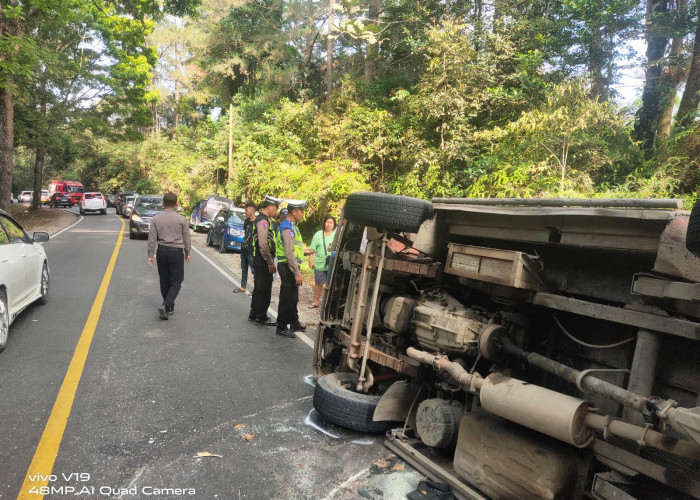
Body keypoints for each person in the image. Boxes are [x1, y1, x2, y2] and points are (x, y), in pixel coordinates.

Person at [148, 192, 191, 320]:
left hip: (162, 251)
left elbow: (152, 238)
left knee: (164, 280)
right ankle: (166, 305)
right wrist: (188, 252)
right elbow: (186, 237)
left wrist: (151, 254)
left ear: (163, 203)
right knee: (177, 281)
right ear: (176, 204)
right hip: (176, 252)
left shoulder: (156, 218)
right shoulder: (181, 219)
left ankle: (168, 307)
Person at [275, 202, 307, 338]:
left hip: (291, 265)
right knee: (287, 297)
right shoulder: (287, 228)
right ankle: (281, 326)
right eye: (301, 211)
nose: (302, 214)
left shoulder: (294, 227)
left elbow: (296, 248)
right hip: (288, 266)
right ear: (294, 212)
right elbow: (289, 252)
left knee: (293, 296)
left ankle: (294, 322)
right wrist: (297, 272)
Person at [249, 196, 279, 325]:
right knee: (264, 289)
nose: (276, 212)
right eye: (276, 208)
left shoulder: (264, 220)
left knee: (259, 287)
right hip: (262, 260)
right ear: (270, 206)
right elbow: (263, 244)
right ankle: (261, 315)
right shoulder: (263, 221)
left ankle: (254, 312)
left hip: (260, 259)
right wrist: (270, 261)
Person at [308, 215, 336, 308]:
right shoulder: (318, 234)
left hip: (331, 263)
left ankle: (328, 303)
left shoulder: (336, 235)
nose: (328, 224)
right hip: (319, 262)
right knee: (318, 283)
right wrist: (310, 260)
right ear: (324, 223)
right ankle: (316, 301)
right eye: (327, 222)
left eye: (331, 223)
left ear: (334, 225)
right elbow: (312, 249)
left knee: (330, 284)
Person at [235, 201, 256, 295]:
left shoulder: (257, 222)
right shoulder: (246, 221)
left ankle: (256, 290)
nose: (245, 212)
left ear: (252, 210)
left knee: (254, 271)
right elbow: (245, 233)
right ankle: (243, 287)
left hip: (251, 250)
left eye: (246, 210)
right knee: (244, 269)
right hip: (243, 248)